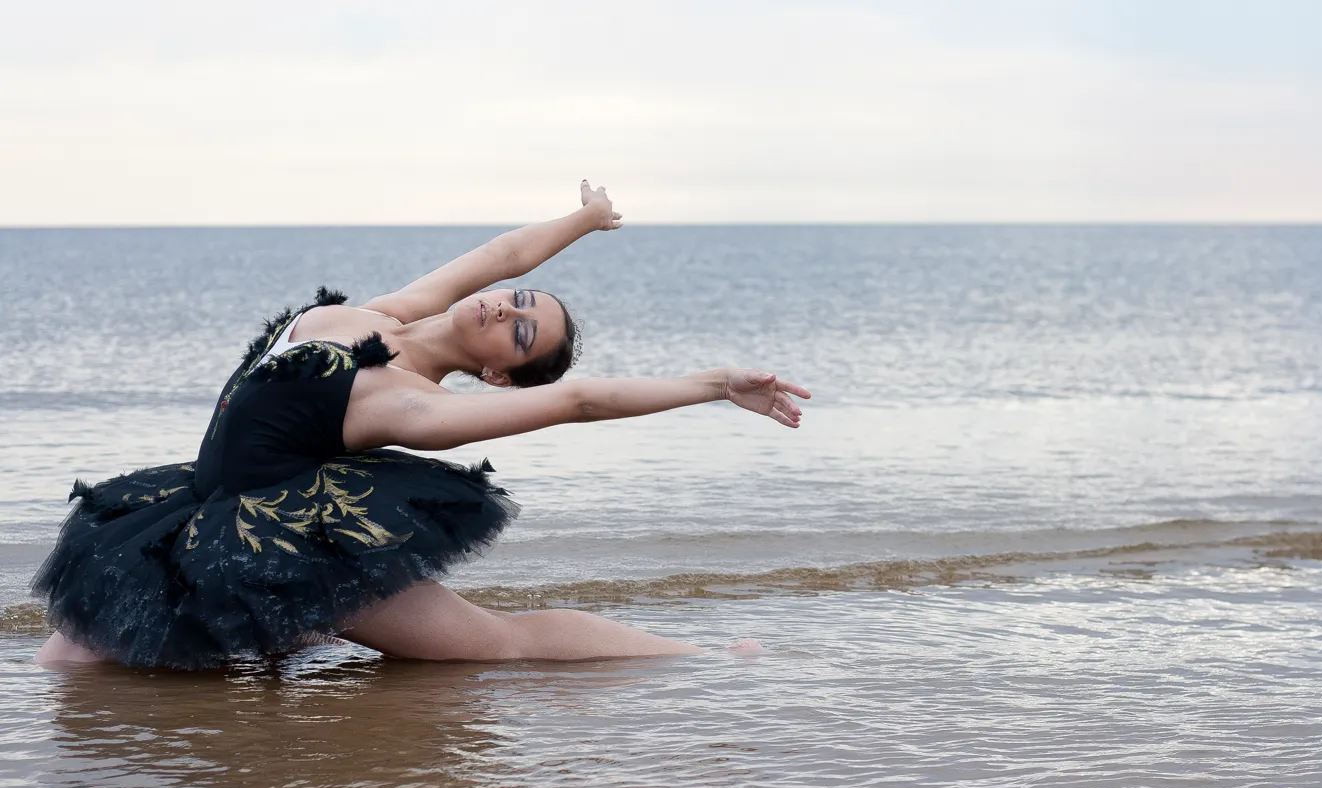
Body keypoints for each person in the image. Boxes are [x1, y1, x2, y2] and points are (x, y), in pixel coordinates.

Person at [31, 181, 810, 670]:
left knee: (495, 644)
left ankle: (703, 656)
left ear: (499, 374)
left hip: (284, 545)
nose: (509, 307)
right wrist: (585, 217)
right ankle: (304, 635)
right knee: (77, 643)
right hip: (202, 510)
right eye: (524, 300)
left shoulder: (411, 403)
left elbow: (581, 401)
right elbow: (504, 253)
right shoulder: (387, 316)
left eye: (522, 331)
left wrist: (712, 384)